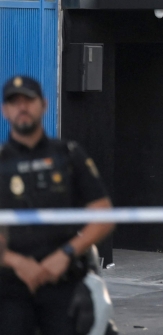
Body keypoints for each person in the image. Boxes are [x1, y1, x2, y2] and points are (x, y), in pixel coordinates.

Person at [0, 75, 115, 335]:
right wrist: (18, 262)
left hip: (63, 285)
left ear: (44, 105)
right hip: (10, 289)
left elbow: (103, 215)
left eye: (28, 100)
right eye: (14, 102)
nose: (22, 107)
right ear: (5, 110)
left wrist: (64, 254)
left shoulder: (69, 155)